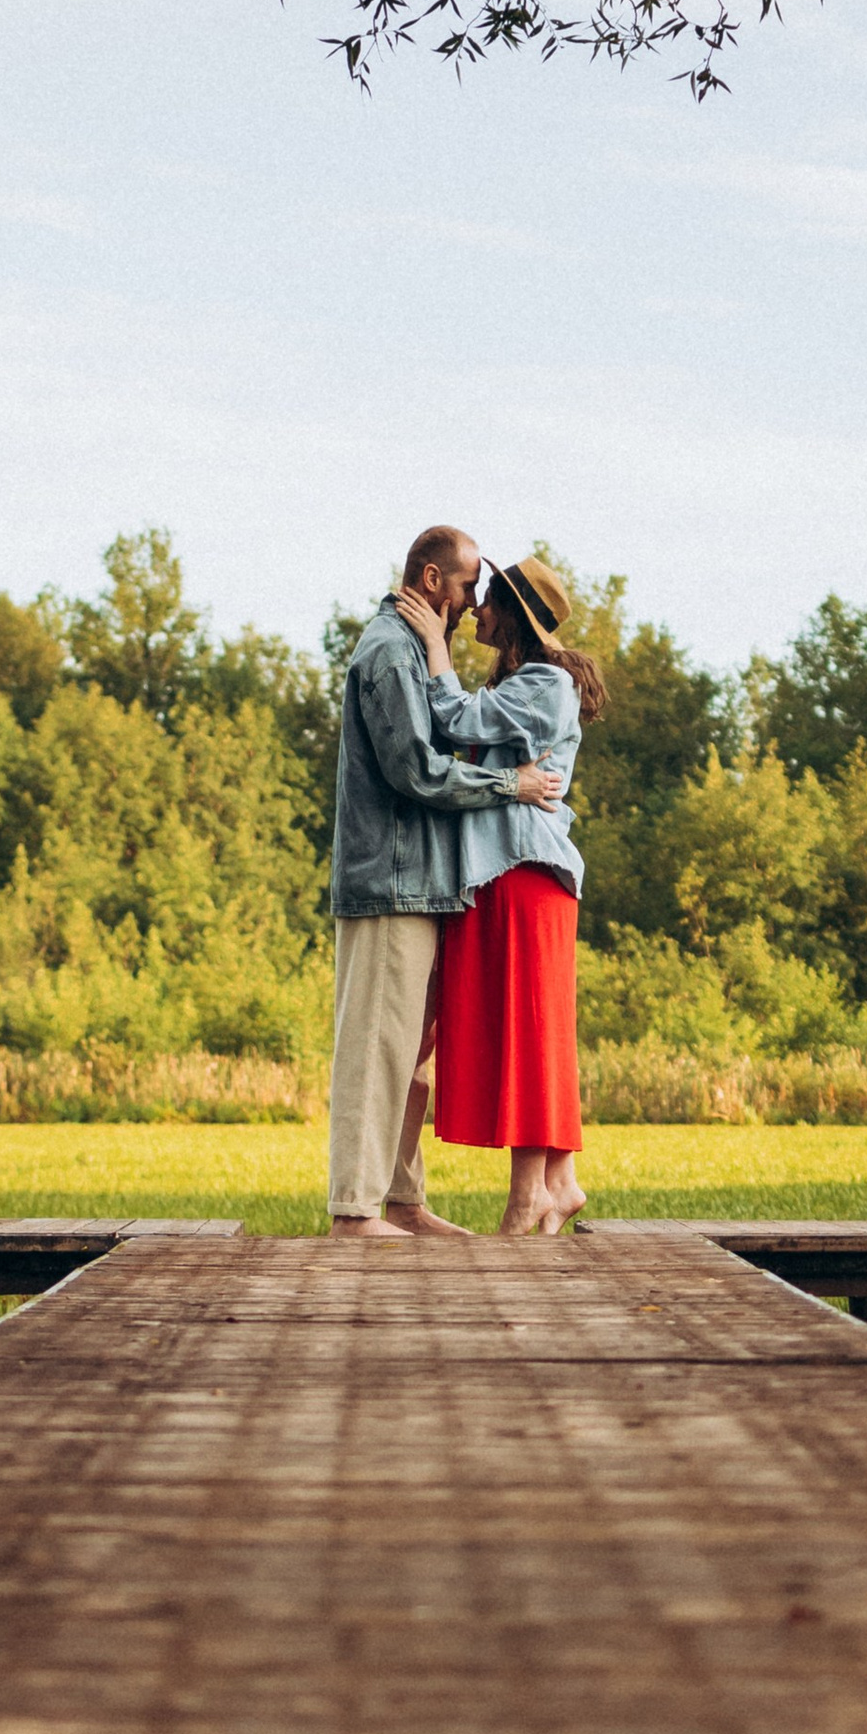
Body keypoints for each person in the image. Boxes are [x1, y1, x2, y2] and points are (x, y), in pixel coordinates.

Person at [326, 525, 568, 1241]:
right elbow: (416, 773)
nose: (469, 603)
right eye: (465, 587)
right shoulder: (391, 652)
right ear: (433, 582)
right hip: (391, 882)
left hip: (424, 883)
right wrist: (510, 785)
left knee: (410, 1054)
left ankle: (401, 1200)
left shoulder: (411, 652)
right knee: (376, 1047)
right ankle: (354, 1211)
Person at [397, 555, 603, 1237]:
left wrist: (432, 645)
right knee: (533, 1029)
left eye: (487, 601)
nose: (475, 609)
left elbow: (454, 718)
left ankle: (529, 1199)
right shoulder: (528, 682)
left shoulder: (544, 684)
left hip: (525, 874)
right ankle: (557, 1182)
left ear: (513, 614)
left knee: (527, 1031)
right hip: (506, 874)